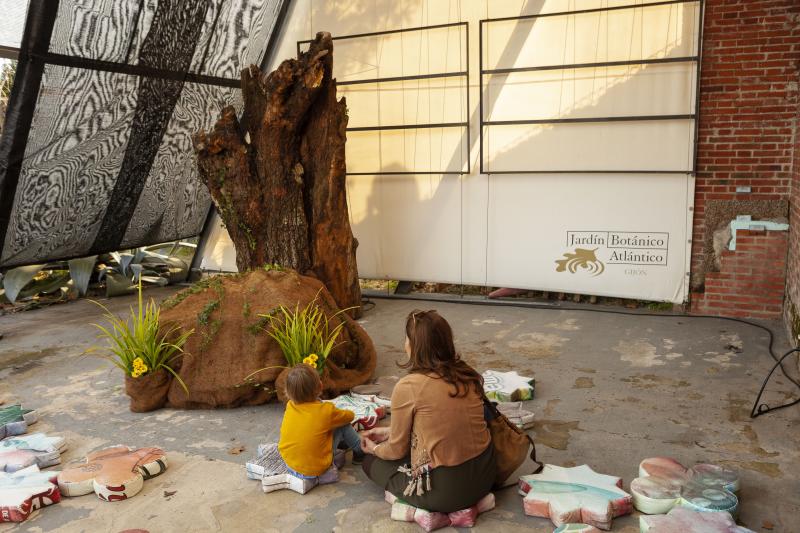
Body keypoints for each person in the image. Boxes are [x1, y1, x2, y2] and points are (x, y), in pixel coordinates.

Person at [360, 310, 496, 513]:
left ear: (415, 346)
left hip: (448, 492)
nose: (405, 343)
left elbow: (396, 450)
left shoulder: (409, 386)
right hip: (486, 476)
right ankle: (474, 504)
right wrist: (389, 431)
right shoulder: (467, 373)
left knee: (371, 463)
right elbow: (447, 423)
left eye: (407, 338)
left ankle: (437, 510)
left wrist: (374, 449)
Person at [278, 364, 364, 480]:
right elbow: (350, 416)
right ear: (320, 386)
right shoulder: (326, 411)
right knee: (343, 425)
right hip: (315, 468)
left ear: (287, 392)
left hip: (290, 463)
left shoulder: (290, 406)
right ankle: (360, 452)